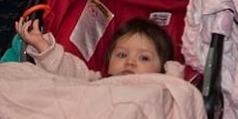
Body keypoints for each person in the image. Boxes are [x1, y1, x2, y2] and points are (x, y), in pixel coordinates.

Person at [14, 13, 181, 81]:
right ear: (108, 62)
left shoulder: (163, 87)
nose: (130, 62)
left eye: (144, 58)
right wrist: (42, 45)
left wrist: (170, 75)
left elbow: (180, 90)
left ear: (162, 68)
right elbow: (66, 70)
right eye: (121, 55)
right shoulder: (98, 81)